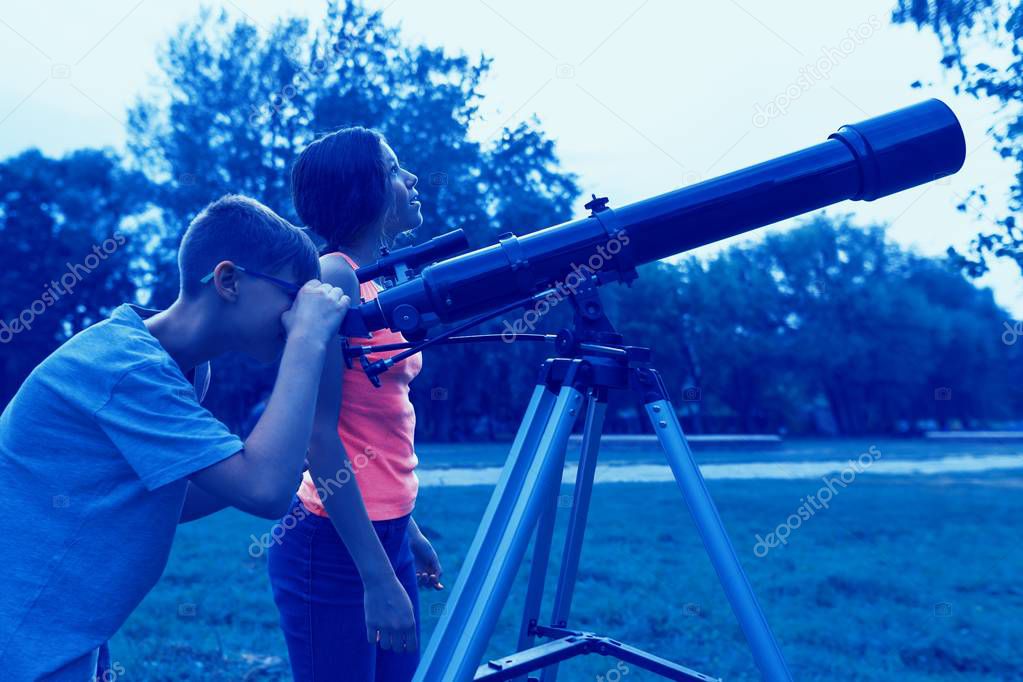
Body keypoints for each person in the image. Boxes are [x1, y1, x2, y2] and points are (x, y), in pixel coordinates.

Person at [0, 195, 359, 679]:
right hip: (23, 636)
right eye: (293, 298)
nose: (299, 315)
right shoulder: (130, 371)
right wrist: (308, 341)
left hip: (54, 630)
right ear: (228, 280)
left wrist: (289, 455)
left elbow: (163, 496)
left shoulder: (178, 367)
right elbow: (265, 489)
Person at [267, 127, 443, 682]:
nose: (410, 178)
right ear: (361, 190)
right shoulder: (334, 274)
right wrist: (376, 577)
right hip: (331, 543)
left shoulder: (377, 282)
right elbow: (319, 434)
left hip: (382, 532)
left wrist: (405, 532)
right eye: (394, 169)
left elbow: (376, 426)